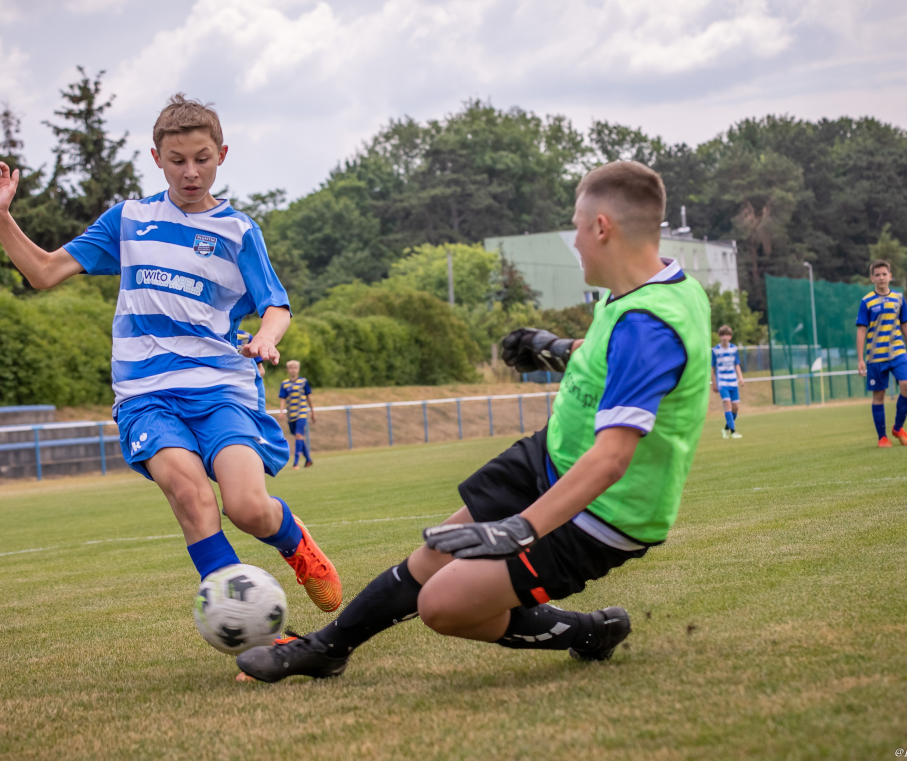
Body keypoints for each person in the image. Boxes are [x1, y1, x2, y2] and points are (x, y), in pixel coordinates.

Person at [236, 160, 710, 682]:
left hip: (602, 511)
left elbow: (613, 458)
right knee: (433, 555)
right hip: (552, 457)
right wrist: (557, 349)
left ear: (602, 227)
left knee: (443, 605)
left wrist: (521, 528)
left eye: (576, 226)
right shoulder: (645, 289)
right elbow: (611, 353)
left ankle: (588, 632)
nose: (574, 240)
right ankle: (328, 648)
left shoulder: (649, 326)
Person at [0, 95, 342, 613]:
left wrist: (266, 337)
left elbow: (276, 307)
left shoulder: (238, 231)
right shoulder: (129, 220)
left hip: (221, 388)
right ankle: (244, 620)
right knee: (191, 497)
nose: (191, 172)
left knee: (246, 508)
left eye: (202, 159)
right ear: (156, 159)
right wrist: (0, 217)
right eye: (177, 160)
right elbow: (44, 272)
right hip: (146, 394)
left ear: (222, 155)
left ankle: (295, 543)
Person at [856, 260, 907, 448]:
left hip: (898, 353)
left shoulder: (899, 298)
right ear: (872, 278)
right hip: (876, 356)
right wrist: (860, 359)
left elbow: (905, 325)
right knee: (879, 396)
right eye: (877, 275)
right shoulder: (866, 301)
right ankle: (882, 437)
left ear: (890, 276)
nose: (881, 277)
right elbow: (861, 331)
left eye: (884, 274)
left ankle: (898, 428)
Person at [278, 360, 315, 469]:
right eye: (291, 368)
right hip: (291, 415)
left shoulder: (303, 382)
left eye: (295, 368)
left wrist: (313, 412)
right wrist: (281, 411)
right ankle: (308, 459)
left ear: (298, 369)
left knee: (299, 434)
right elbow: (283, 399)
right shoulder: (285, 384)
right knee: (299, 437)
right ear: (288, 370)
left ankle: (296, 462)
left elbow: (309, 398)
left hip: (302, 413)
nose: (293, 370)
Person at [711, 325, 743, 439]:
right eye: (722, 335)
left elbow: (736, 364)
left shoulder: (734, 349)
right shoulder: (715, 350)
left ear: (730, 336)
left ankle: (725, 429)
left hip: (733, 381)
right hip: (722, 382)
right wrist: (714, 382)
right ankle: (733, 432)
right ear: (719, 336)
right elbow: (712, 367)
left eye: (727, 335)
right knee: (727, 404)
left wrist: (741, 377)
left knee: (736, 407)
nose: (725, 337)